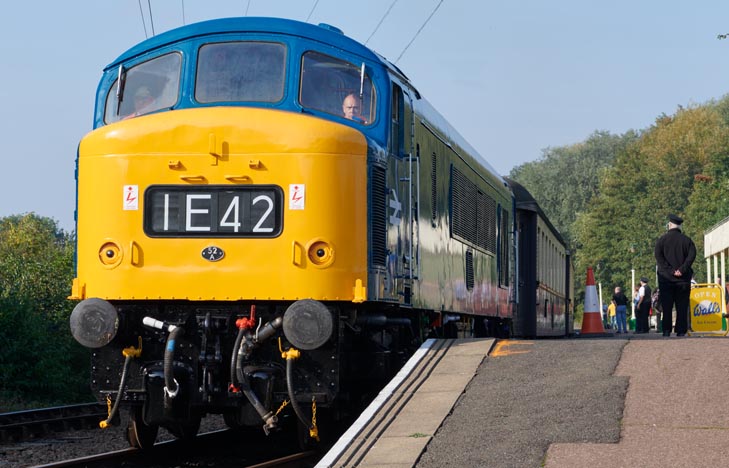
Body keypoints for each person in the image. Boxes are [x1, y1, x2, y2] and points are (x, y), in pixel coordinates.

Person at [655, 214, 696, 337]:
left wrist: (671, 270)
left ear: (669, 225)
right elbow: (691, 256)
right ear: (680, 226)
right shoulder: (687, 241)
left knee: (667, 306)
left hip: (666, 279)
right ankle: (681, 330)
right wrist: (681, 270)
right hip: (683, 280)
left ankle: (666, 330)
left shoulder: (662, 240)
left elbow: (659, 257)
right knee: (682, 306)